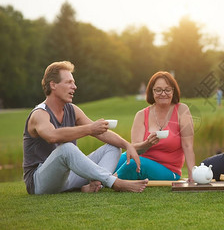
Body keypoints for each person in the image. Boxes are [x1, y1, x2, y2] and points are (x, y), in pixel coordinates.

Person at [23, 61, 148, 194]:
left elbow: (101, 133)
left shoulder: (72, 110)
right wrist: (89, 129)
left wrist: (127, 145)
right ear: (53, 85)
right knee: (67, 148)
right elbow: (52, 136)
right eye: (69, 82)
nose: (74, 87)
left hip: (68, 176)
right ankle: (113, 182)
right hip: (39, 182)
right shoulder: (39, 114)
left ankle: (95, 184)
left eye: (74, 82)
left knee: (113, 146)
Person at [114, 71, 195, 182]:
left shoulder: (182, 110)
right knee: (116, 157)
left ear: (173, 91)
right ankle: (93, 180)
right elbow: (134, 149)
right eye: (158, 90)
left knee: (134, 164)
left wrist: (192, 175)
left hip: (169, 170)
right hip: (143, 159)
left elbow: (188, 146)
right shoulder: (141, 115)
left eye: (167, 90)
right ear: (151, 91)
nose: (163, 93)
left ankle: (105, 182)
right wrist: (147, 144)